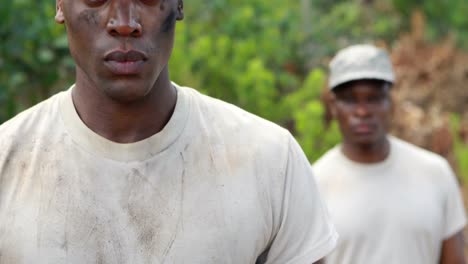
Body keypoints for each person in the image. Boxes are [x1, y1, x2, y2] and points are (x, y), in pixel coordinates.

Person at [0, 1, 337, 263]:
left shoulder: (270, 160)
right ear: (61, 5)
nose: (124, 22)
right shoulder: (8, 159)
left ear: (179, 4)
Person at [313, 44, 466, 264]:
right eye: (349, 99)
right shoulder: (315, 184)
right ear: (334, 107)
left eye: (374, 98)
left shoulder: (435, 173)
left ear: (391, 103)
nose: (362, 111)